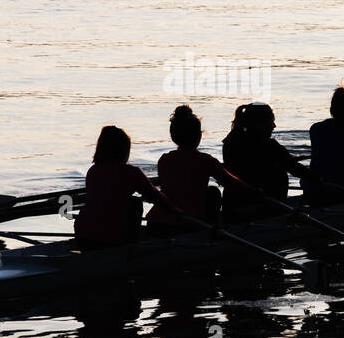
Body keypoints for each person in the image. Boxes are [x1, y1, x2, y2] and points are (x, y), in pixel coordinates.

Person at [74, 125, 175, 249]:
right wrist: (175, 211)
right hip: (110, 237)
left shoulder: (93, 171)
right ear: (123, 151)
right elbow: (155, 196)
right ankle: (129, 247)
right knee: (135, 203)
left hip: (82, 232)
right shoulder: (131, 172)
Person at [146, 105, 237, 233]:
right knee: (213, 192)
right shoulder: (205, 160)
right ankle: (212, 233)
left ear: (173, 136)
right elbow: (232, 182)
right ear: (199, 135)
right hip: (188, 224)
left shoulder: (164, 160)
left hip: (155, 224)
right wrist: (256, 191)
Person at [221, 102, 311, 216]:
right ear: (258, 123)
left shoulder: (229, 143)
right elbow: (294, 168)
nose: (274, 126)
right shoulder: (270, 145)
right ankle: (277, 213)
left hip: (231, 206)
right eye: (271, 121)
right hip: (261, 208)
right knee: (280, 174)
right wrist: (318, 177)